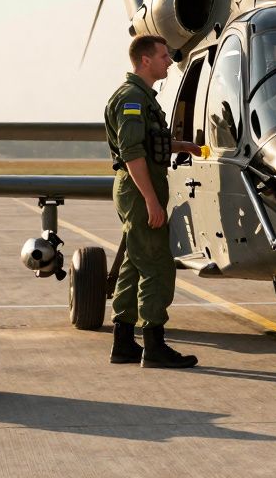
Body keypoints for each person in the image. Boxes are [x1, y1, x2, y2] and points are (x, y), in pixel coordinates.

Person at [104, 34, 202, 368]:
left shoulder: (142, 97)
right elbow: (132, 153)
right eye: (163, 56)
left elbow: (148, 143)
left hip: (142, 186)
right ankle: (155, 346)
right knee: (157, 265)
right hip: (139, 188)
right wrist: (151, 201)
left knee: (135, 262)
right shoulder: (132, 99)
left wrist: (182, 146)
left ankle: (123, 342)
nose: (169, 61)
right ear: (145, 60)